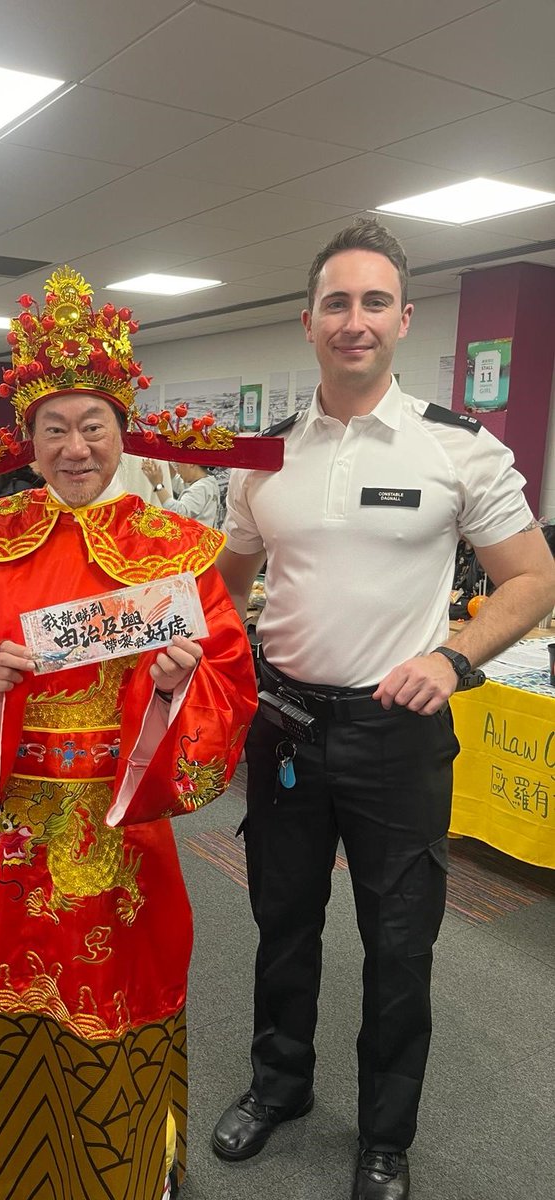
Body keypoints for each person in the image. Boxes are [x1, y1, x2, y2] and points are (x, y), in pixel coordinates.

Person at [0, 266, 261, 1200]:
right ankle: (21, 1168)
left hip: (119, 820)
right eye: (53, 427)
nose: (74, 446)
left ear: (121, 430)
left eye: (92, 424)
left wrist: (180, 685)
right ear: (28, 438)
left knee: (120, 986)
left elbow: (231, 676)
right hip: (12, 822)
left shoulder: (174, 550)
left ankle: (130, 1169)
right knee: (13, 984)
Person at [210, 217, 555, 1200]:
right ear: (308, 320)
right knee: (283, 921)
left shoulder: (459, 447)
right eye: (336, 303)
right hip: (283, 728)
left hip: (397, 736)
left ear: (404, 319)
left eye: (374, 302)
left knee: (400, 944)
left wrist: (455, 656)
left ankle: (385, 1134)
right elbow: (225, 582)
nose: (353, 320)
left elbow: (534, 578)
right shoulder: (261, 455)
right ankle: (279, 1085)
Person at [141, 458, 221, 526]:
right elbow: (179, 483)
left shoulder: (201, 488)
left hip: (195, 537)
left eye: (178, 465)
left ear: (190, 464)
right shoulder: (208, 482)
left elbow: (178, 512)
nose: (178, 470)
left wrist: (158, 485)